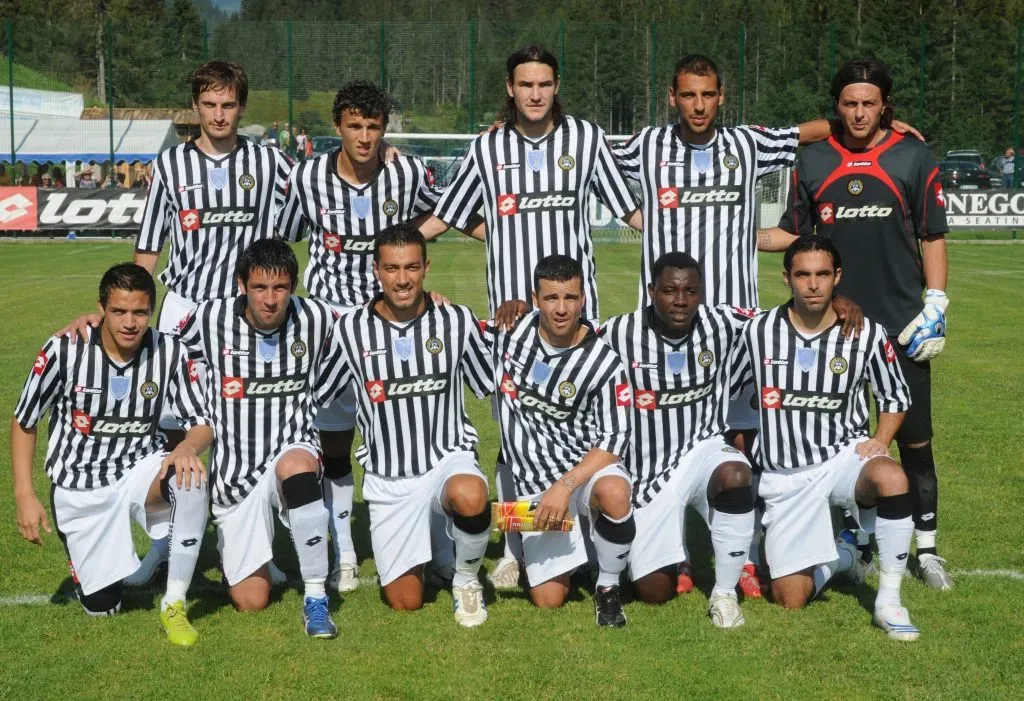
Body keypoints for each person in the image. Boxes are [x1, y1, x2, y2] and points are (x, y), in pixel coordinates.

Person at [612, 53, 916, 597]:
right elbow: (580, 148)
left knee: (743, 435)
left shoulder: (746, 144)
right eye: (688, 95)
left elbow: (810, 130)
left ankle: (747, 553)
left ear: (722, 96)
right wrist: (511, 123)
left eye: (708, 95)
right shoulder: (645, 146)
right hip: (670, 321)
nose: (699, 106)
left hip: (739, 321)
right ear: (671, 97)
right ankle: (674, 551)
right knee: (667, 431)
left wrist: (881, 128)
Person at [423, 45, 640, 590]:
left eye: (544, 84)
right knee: (516, 432)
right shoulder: (488, 146)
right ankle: (516, 546)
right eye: (526, 85)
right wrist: (386, 251)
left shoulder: (585, 139)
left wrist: (688, 244)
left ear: (556, 84)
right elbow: (448, 215)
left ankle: (586, 528)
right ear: (510, 88)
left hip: (574, 317)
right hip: (514, 322)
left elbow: (630, 210)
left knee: (580, 427)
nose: (536, 94)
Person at [761, 58, 952, 590]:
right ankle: (859, 543)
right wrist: (729, 230)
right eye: (849, 103)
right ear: (837, 106)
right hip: (833, 327)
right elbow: (791, 234)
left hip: (901, 322)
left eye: (870, 103)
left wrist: (935, 302)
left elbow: (932, 234)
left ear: (885, 104)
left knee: (914, 438)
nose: (860, 112)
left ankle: (928, 546)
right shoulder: (815, 160)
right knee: (847, 442)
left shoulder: (912, 154)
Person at [280, 80, 463, 594]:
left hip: (395, 319)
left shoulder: (405, 171)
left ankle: (440, 547)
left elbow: (442, 212)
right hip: (333, 328)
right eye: (355, 126)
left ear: (386, 129)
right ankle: (344, 552)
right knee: (335, 446)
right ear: (337, 126)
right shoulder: (309, 176)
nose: (364, 137)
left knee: (415, 439)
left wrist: (412, 254)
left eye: (374, 126)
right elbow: (282, 235)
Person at [11, 264, 211, 646]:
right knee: (104, 607)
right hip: (81, 487)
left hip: (138, 470)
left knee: (191, 478)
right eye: (119, 311)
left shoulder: (169, 350)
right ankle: (112, 566)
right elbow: (24, 420)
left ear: (152, 309)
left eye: (140, 312)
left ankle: (175, 602)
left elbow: (202, 422)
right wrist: (25, 494)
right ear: (101, 307)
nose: (130, 322)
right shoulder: (65, 349)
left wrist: (186, 446)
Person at [733, 235, 919, 641]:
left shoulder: (866, 333)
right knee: (789, 598)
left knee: (891, 478)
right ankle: (846, 553)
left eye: (822, 275)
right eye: (802, 275)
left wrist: (881, 439)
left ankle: (889, 600)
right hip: (785, 477)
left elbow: (896, 396)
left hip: (841, 459)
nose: (813, 285)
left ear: (838, 277)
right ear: (786, 279)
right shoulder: (757, 331)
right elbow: (730, 389)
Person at [315, 223, 494, 627]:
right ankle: (438, 545)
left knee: (469, 494)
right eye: (392, 268)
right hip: (388, 477)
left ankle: (466, 581)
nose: (402, 279)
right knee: (404, 601)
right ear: (376, 270)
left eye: (412, 267)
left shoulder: (456, 321)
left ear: (426, 268)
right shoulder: (349, 329)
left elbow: (491, 383)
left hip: (448, 457)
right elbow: (318, 393)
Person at [175, 239, 340, 638]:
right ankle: (259, 557)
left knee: (297, 465)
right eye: (260, 288)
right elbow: (166, 351)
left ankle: (316, 599)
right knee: (251, 601)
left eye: (281, 288)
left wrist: (430, 302)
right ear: (241, 285)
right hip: (236, 477)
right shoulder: (209, 318)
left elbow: (371, 325)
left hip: (291, 449)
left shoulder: (316, 317)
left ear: (294, 287)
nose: (270, 299)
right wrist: (91, 326)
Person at [600, 252, 763, 628]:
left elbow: (787, 316)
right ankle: (637, 556)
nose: (680, 300)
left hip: (701, 449)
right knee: (654, 592)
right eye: (670, 290)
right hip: (647, 470)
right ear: (651, 290)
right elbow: (568, 330)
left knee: (736, 472)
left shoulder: (721, 324)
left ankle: (724, 593)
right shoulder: (618, 332)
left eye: (691, 290)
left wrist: (838, 299)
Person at [485, 255, 635, 627]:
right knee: (548, 600)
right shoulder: (511, 333)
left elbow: (616, 437)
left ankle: (608, 589)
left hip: (579, 479)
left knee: (615, 492)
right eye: (551, 298)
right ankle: (521, 537)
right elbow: (458, 331)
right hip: (535, 489)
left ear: (584, 298)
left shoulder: (604, 361)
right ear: (535, 300)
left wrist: (565, 487)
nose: (562, 308)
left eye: (571, 297)